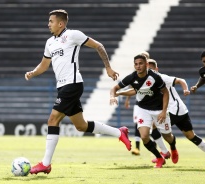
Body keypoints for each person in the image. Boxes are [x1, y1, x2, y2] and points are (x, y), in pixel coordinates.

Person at [24, 9, 131, 175]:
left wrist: (108, 68)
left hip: (73, 84)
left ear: (61, 23)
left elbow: (98, 46)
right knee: (81, 126)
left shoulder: (73, 35)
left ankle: (45, 163)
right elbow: (44, 65)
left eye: (51, 21)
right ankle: (119, 132)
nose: (48, 24)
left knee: (53, 120)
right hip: (63, 86)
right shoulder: (50, 43)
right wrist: (32, 72)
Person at [147, 58, 205, 167]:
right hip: (181, 110)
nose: (150, 72)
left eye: (152, 69)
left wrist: (185, 89)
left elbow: (180, 80)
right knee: (191, 135)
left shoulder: (162, 78)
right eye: (148, 70)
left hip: (173, 110)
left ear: (156, 69)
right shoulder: (148, 82)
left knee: (152, 126)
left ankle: (165, 152)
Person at [110, 54, 178, 168]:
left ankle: (173, 148)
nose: (138, 66)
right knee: (145, 136)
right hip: (143, 109)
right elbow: (114, 88)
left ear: (146, 64)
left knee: (168, 136)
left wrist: (164, 111)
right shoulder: (132, 77)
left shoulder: (155, 77)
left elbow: (165, 93)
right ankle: (159, 158)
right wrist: (113, 96)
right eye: (136, 64)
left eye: (141, 63)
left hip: (159, 110)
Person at [124, 52, 170, 159]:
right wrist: (127, 99)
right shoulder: (136, 74)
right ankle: (138, 147)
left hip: (155, 106)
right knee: (138, 125)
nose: (139, 65)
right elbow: (133, 87)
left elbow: (163, 89)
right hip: (141, 105)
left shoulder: (153, 75)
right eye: (137, 63)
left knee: (154, 128)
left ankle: (161, 149)